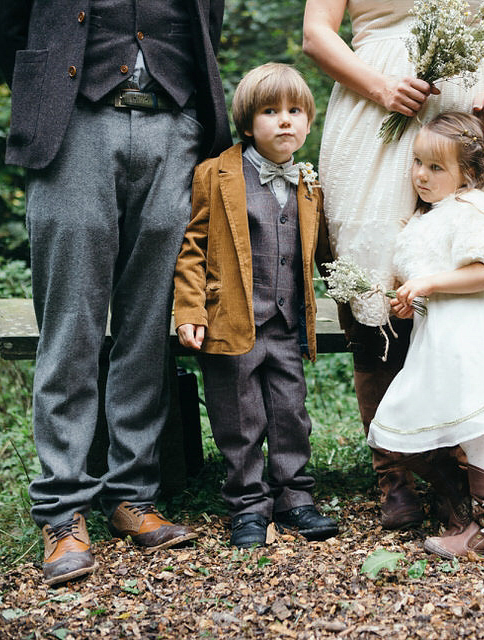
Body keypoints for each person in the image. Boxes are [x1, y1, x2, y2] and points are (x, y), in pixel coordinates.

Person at [0, 0, 231, 586]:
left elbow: (205, 22)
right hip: (73, 129)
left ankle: (133, 496)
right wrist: (47, 94)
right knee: (71, 325)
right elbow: (6, 25)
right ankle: (62, 511)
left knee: (148, 328)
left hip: (174, 130)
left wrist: (190, 115)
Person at [303, 0, 484, 531]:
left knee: (457, 277)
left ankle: (455, 473)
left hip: (462, 122)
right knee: (374, 282)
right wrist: (381, 87)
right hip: (372, 112)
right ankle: (394, 476)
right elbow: (317, 33)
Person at [173, 63, 338, 549]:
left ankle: (295, 500)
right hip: (232, 321)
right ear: (248, 123)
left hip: (286, 325)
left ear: (308, 122)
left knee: (291, 413)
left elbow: (323, 249)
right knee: (239, 419)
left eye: (294, 111)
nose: (284, 121)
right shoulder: (216, 174)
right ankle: (248, 505)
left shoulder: (310, 184)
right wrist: (189, 311)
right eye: (271, 112)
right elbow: (192, 247)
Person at [367, 112, 484, 559]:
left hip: (468, 341)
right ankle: (466, 515)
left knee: (474, 433)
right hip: (437, 342)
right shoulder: (428, 219)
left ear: (467, 174)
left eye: (436, 167)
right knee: (411, 423)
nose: (421, 174)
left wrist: (430, 283)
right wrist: (411, 298)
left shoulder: (475, 210)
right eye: (418, 162)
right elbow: (429, 281)